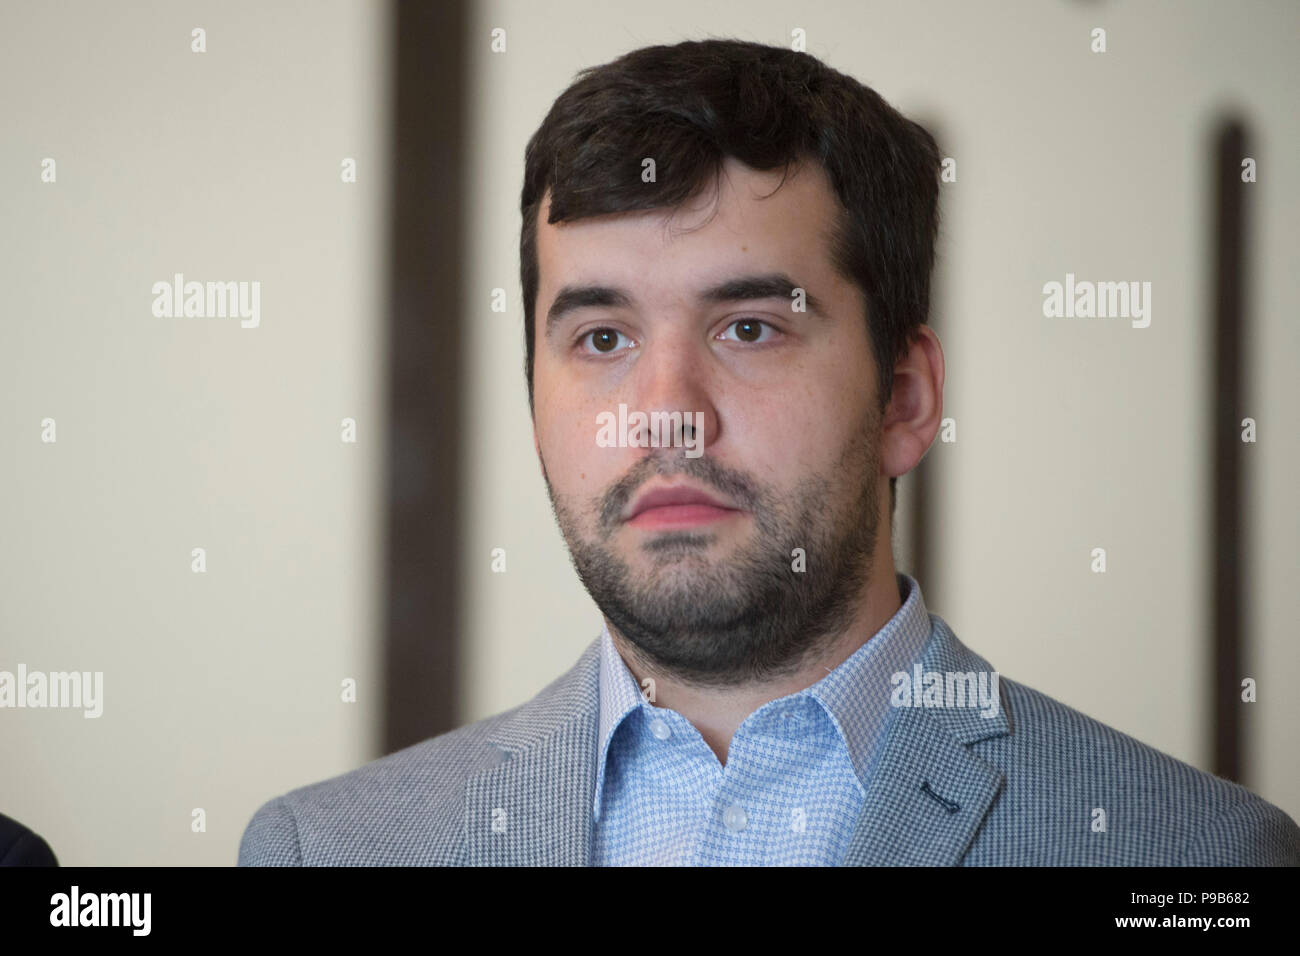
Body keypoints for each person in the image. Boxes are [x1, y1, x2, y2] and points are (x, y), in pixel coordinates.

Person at [239, 38, 1300, 866]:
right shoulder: (327, 849)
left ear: (904, 395)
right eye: (601, 338)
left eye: (748, 327)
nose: (664, 415)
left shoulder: (1190, 856)